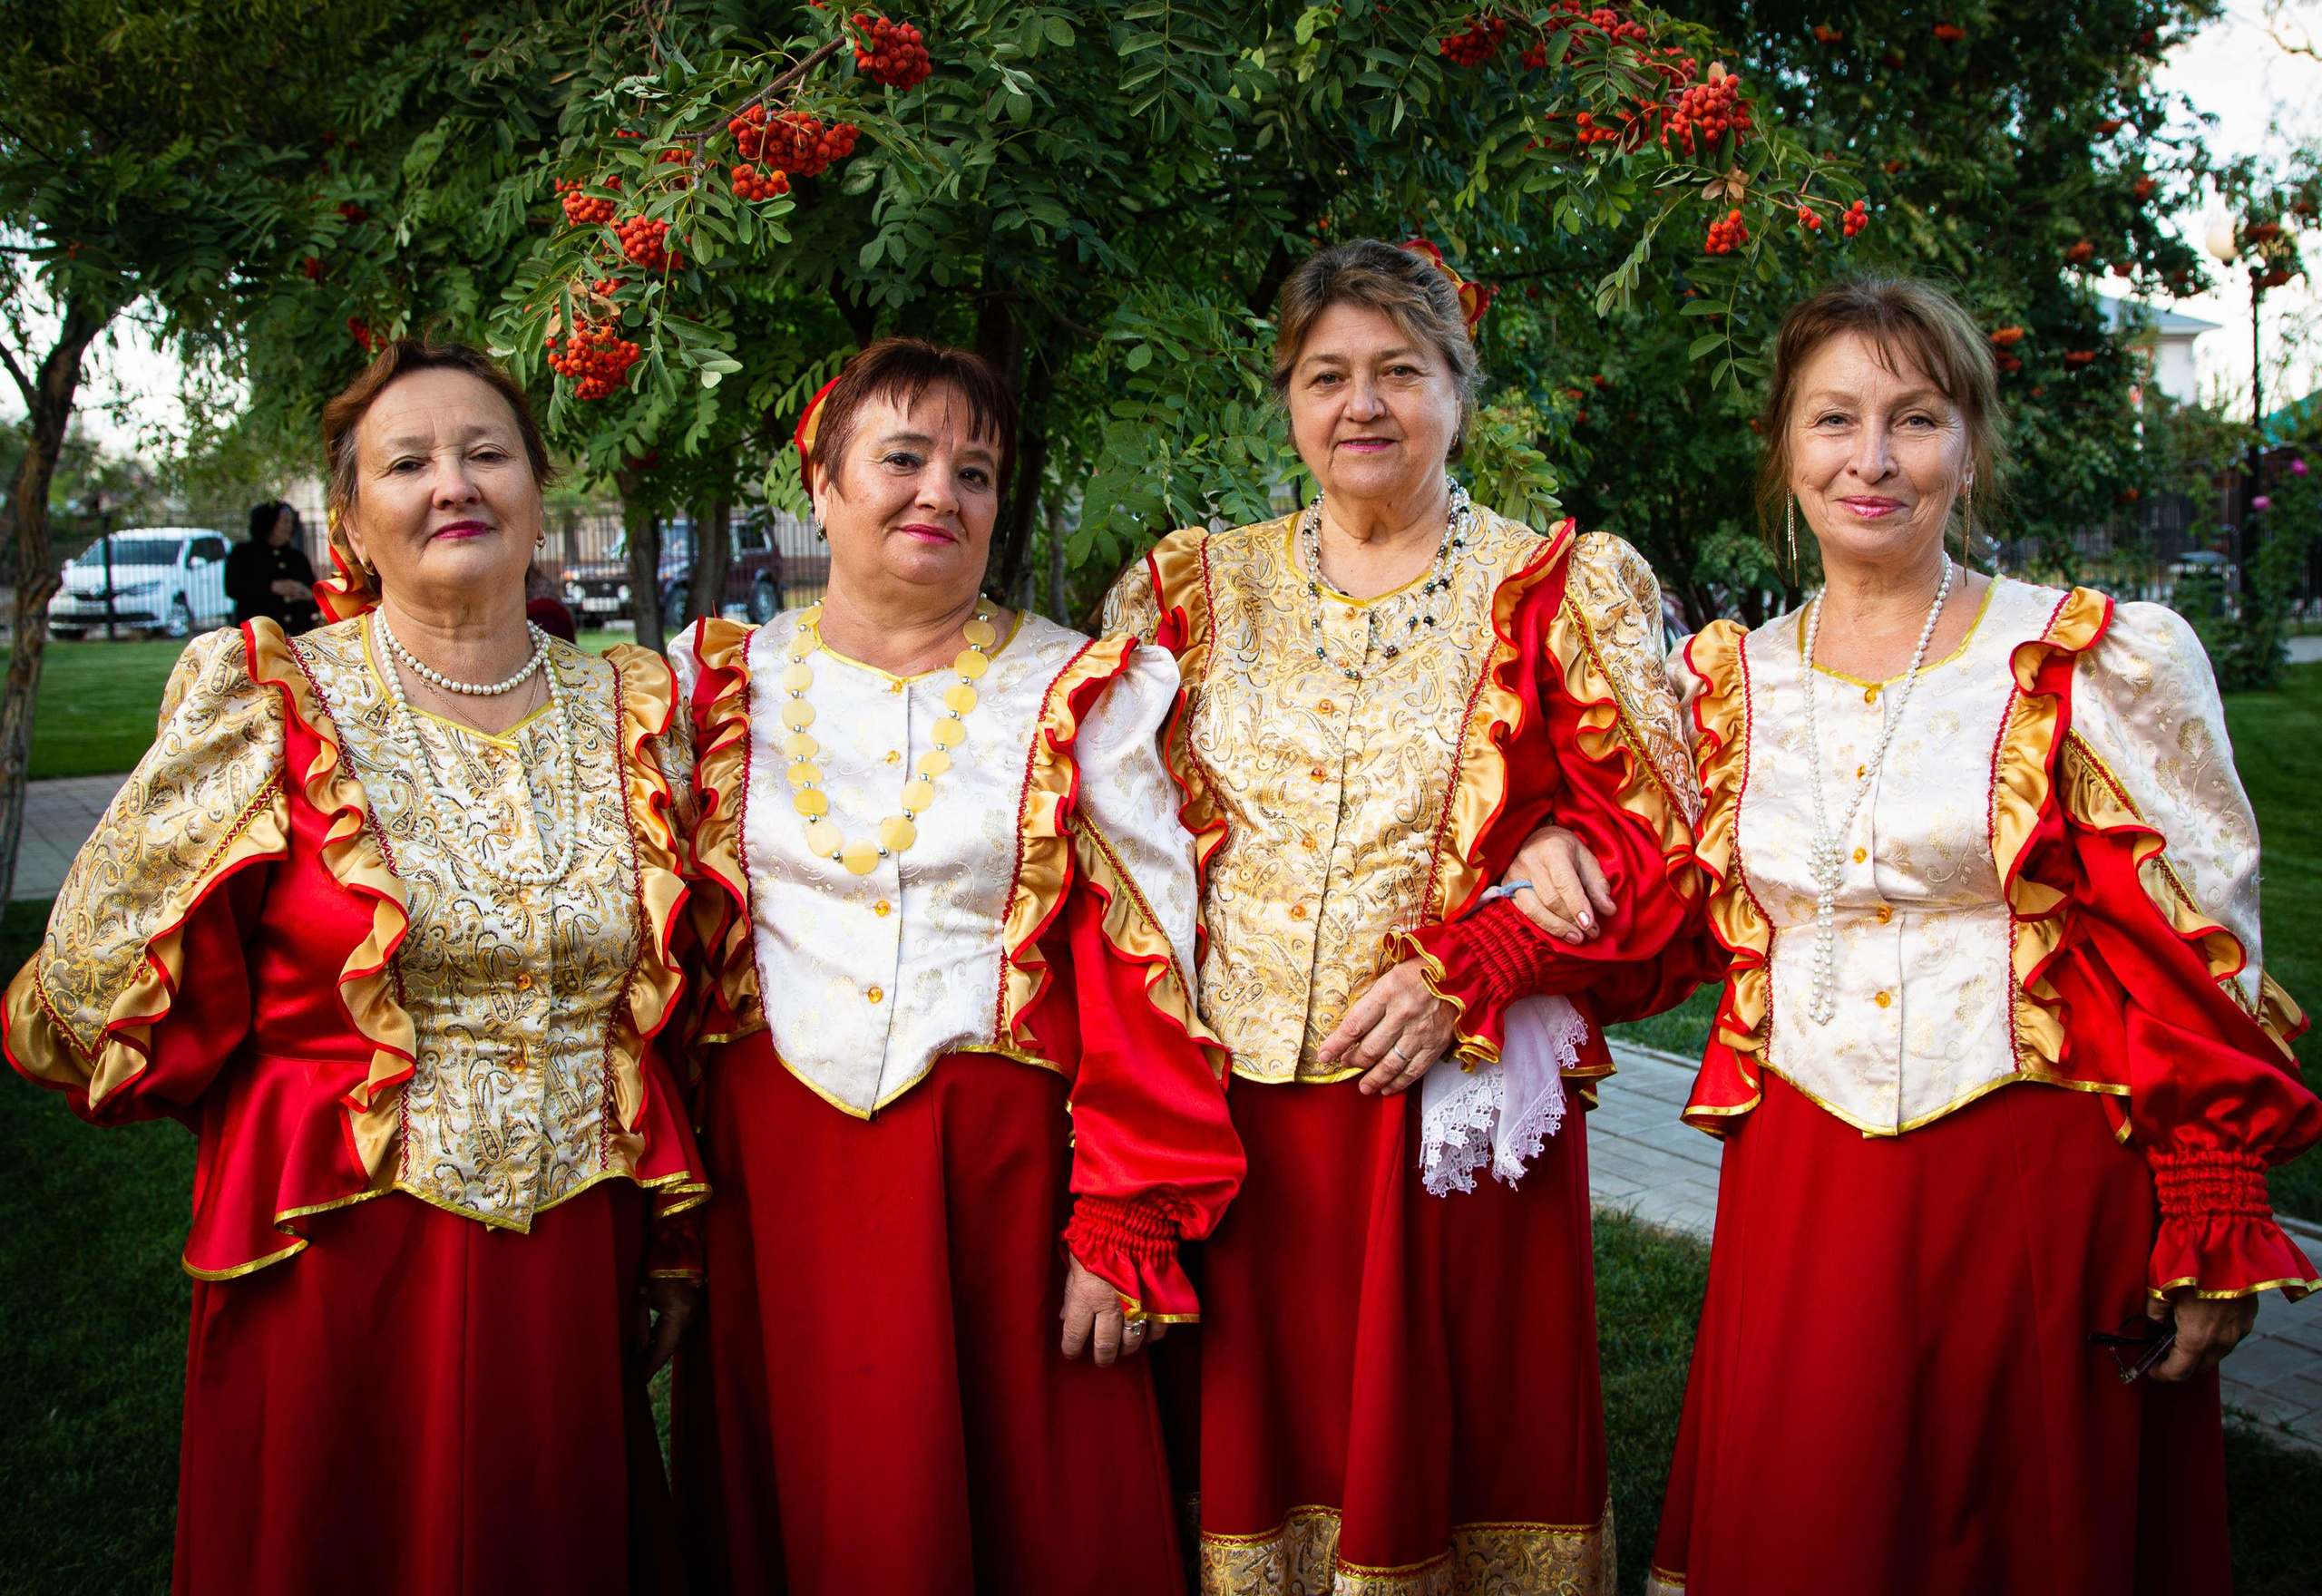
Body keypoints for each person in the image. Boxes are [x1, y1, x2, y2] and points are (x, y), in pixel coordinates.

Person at [1590, 277, 2317, 1595]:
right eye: (1834, 420)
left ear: (1967, 446)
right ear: (1785, 449)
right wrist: (1524, 909)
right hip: (1804, 1172)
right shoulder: (1728, 681)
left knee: (2022, 1525)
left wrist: (2212, 1198)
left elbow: (2195, 948)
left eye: (1914, 420)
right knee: (1815, 1517)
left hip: (2032, 1175)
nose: (1872, 461)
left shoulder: (2085, 663)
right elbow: (1654, 909)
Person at [5, 340, 707, 1596]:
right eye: (410, 462)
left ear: (539, 493)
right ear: (350, 521)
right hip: (338, 1252)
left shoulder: (632, 711)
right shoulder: (274, 702)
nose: (455, 484)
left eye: (487, 453)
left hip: (569, 1259)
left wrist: (668, 1237)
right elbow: (96, 985)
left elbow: (654, 1007)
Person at [1103, 238, 1704, 1594]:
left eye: (1399, 373)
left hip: (1448, 1114)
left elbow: (1670, 839)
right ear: (1288, 400)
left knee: (1447, 1452)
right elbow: (1108, 851)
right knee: (1264, 1461)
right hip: (1237, 1115)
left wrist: (1489, 954)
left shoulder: (1558, 585)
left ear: (1458, 393)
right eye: (1328, 376)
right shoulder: (1192, 592)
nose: (1361, 406)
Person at [667, 336, 1244, 1596]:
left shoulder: (1084, 689)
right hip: (782, 1178)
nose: (941, 493)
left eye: (975, 472)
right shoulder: (710, 688)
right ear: (821, 485)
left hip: (1005, 1181)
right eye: (904, 458)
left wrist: (1125, 1212)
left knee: (1028, 1514)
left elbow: (1146, 955)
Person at [225, 500, 321, 632]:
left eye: (291, 522)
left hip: (297, 635)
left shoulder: (297, 558)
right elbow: (233, 587)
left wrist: (308, 595)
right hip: (260, 636)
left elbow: (314, 595)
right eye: (285, 522)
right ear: (269, 523)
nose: (290, 527)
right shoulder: (243, 554)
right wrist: (272, 587)